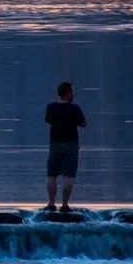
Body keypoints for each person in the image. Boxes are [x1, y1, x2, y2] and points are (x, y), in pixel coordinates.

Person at [44, 80, 86, 213]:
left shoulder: (51, 107)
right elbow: (84, 123)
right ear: (68, 94)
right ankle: (65, 204)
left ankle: (51, 203)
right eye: (72, 92)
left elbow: (48, 120)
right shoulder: (75, 108)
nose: (73, 94)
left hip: (55, 144)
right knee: (69, 176)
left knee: (52, 175)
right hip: (71, 145)